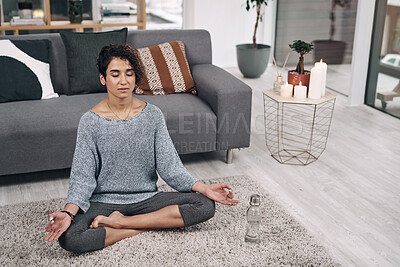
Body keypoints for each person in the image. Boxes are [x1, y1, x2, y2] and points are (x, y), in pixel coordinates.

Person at [44, 44, 239, 254]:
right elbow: (83, 177)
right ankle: (149, 224)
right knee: (70, 238)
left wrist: (205, 188)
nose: (123, 81)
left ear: (136, 77)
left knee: (204, 205)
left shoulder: (153, 115)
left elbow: (170, 167)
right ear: (103, 79)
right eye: (115, 74)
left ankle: (122, 224)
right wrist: (68, 212)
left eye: (129, 74)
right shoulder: (90, 122)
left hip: (147, 199)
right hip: (103, 202)